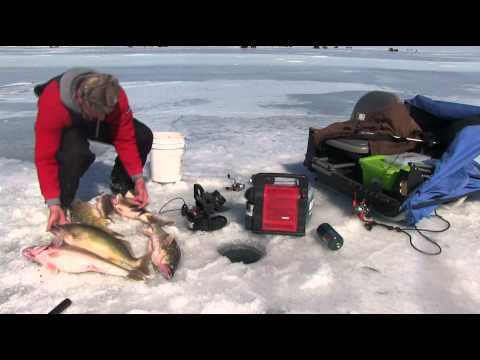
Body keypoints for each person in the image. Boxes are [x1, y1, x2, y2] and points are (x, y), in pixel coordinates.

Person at [34, 68, 153, 232]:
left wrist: (138, 178)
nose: (104, 118)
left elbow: (125, 138)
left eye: (107, 112)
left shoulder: (114, 96)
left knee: (143, 135)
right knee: (76, 154)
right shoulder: (53, 103)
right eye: (101, 113)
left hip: (92, 120)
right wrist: (53, 203)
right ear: (80, 101)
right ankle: (63, 202)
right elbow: (45, 158)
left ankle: (121, 184)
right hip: (70, 124)